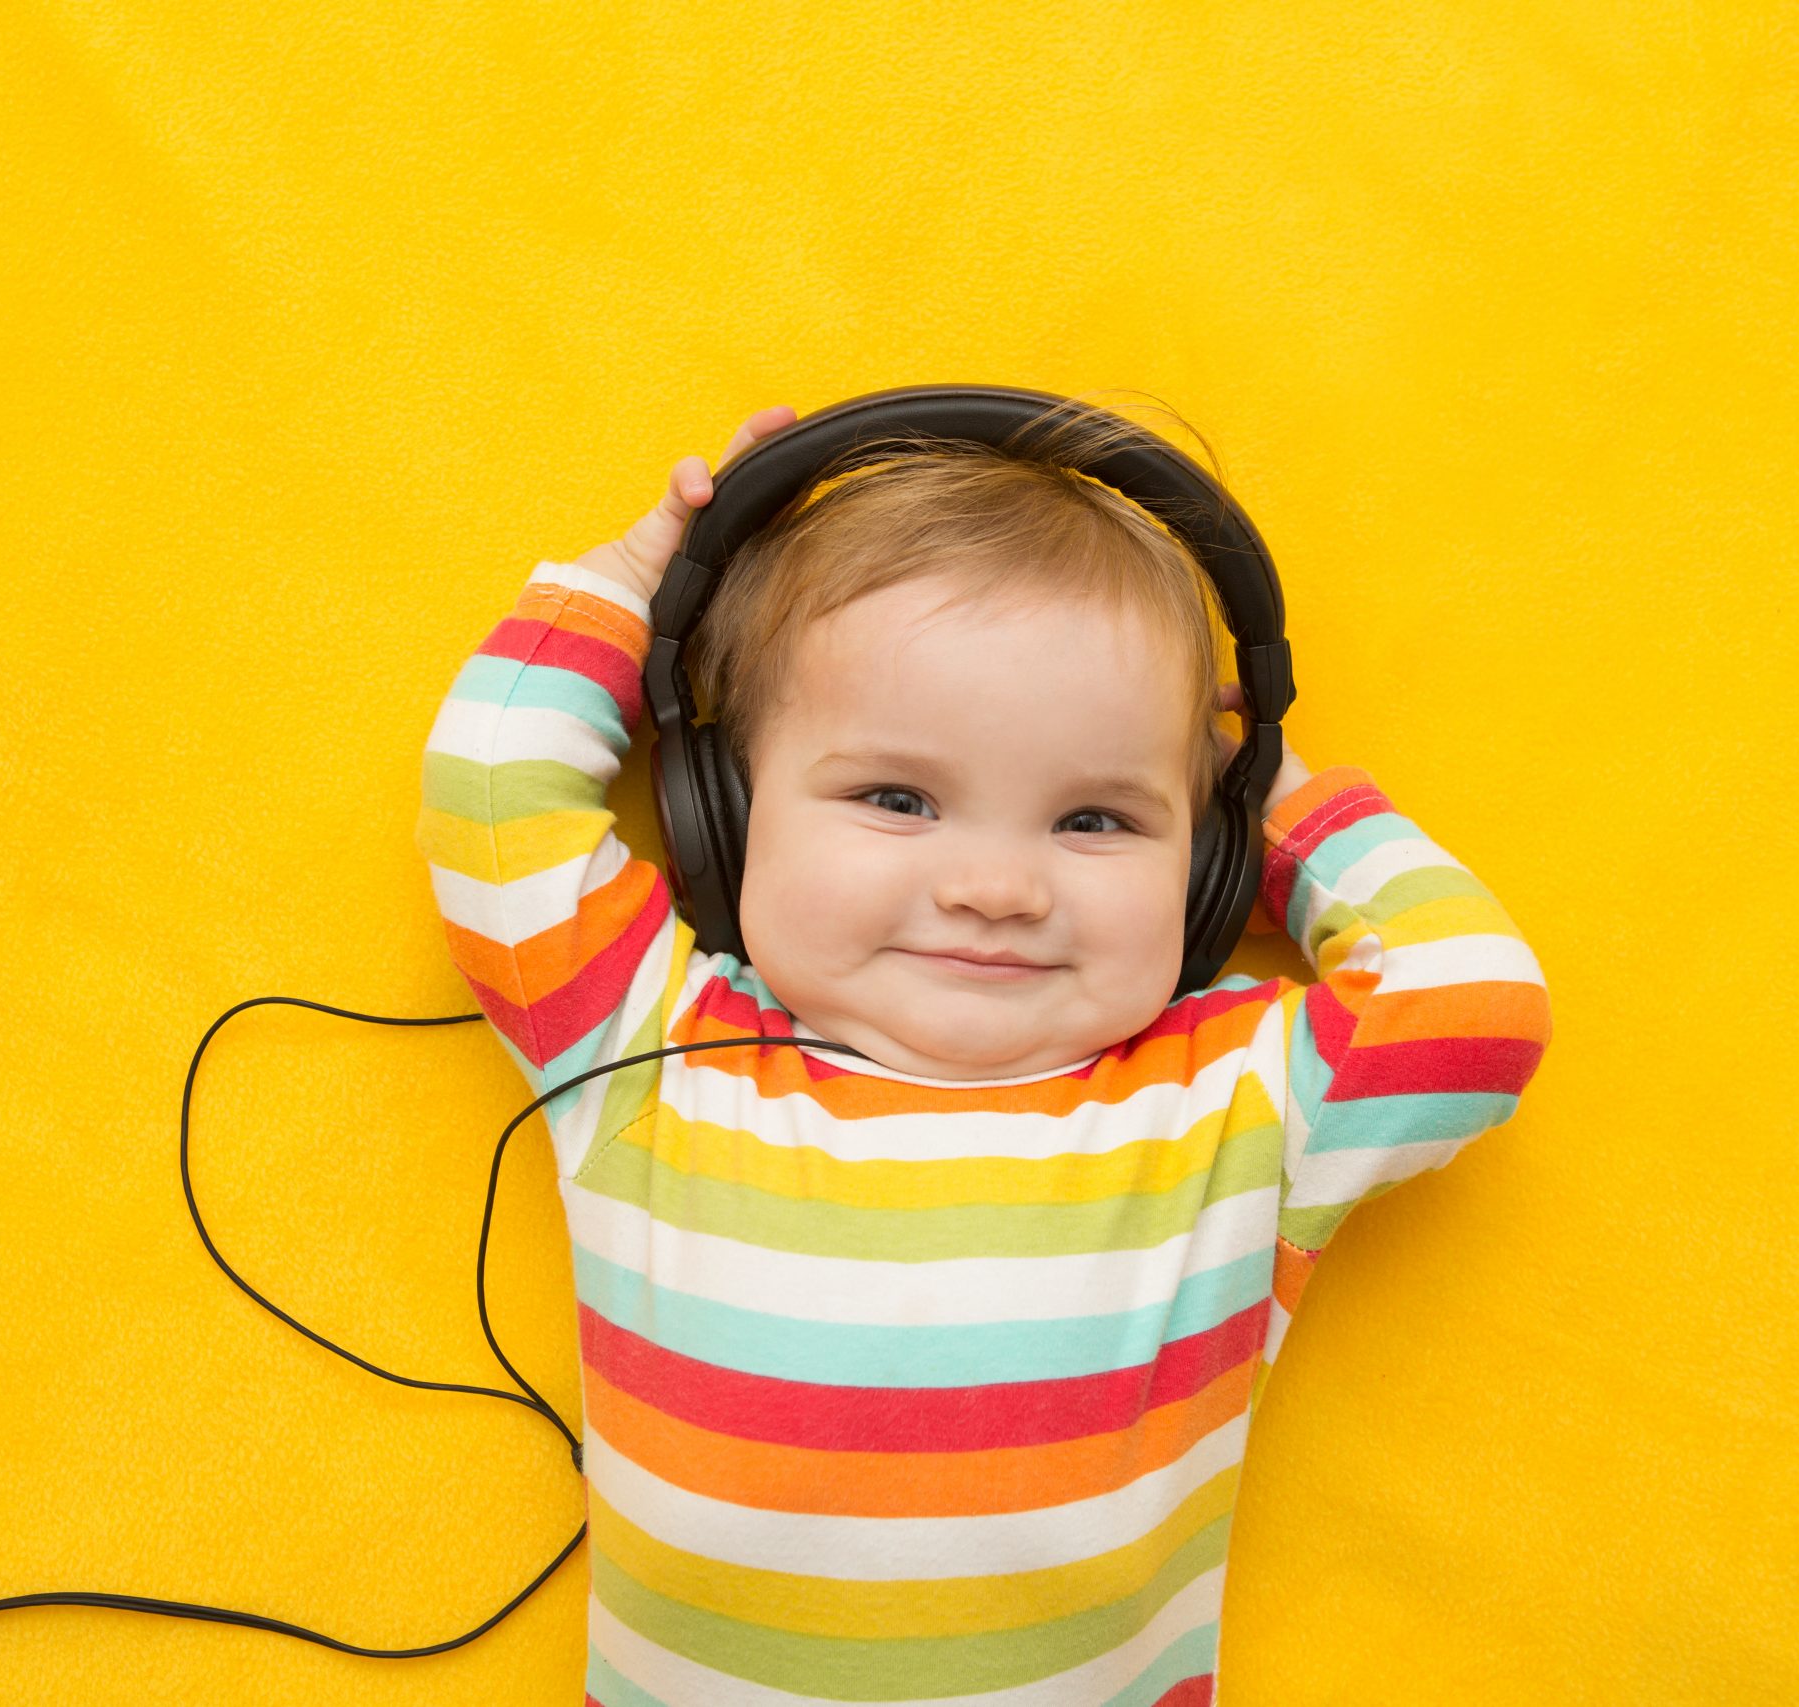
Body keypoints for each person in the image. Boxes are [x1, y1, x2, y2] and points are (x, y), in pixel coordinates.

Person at [415, 399, 1553, 1706]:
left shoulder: (1235, 1099)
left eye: (1096, 818)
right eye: (898, 800)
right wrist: (632, 580)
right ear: (721, 824)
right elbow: (494, 790)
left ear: (1205, 868)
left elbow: (1473, 1006)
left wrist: (1277, 797)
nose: (1000, 888)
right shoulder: (655, 1043)